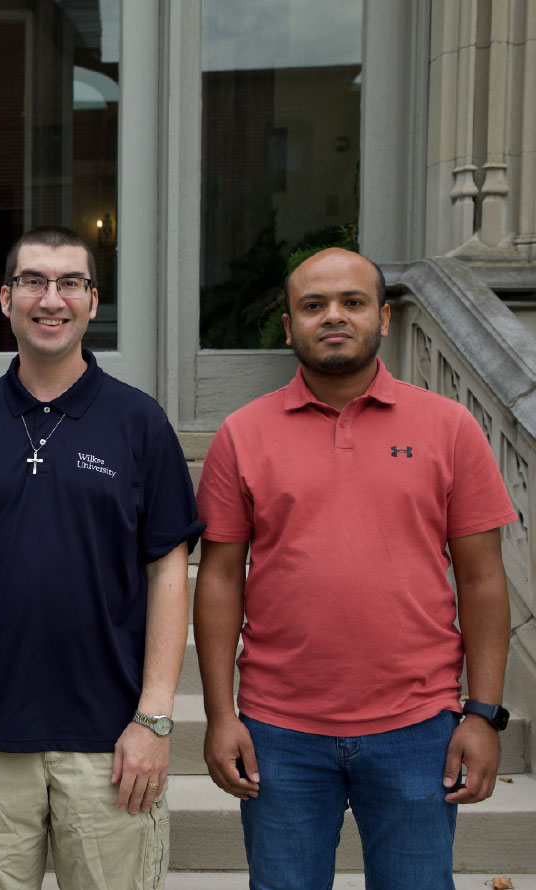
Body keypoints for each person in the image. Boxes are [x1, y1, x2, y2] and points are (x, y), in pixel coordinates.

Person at [194, 247, 516, 889]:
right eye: (313, 305)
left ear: (384, 318)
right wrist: (221, 715)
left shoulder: (449, 427)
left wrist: (481, 713)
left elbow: (482, 579)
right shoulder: (242, 434)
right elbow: (220, 578)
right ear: (289, 326)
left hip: (418, 727)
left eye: (352, 302)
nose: (333, 316)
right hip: (278, 730)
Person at [0, 225, 202, 890]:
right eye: (35, 283)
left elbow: (168, 571)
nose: (53, 299)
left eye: (70, 282)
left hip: (110, 745)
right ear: (7, 298)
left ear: (93, 302)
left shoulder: (139, 423)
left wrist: (155, 717)